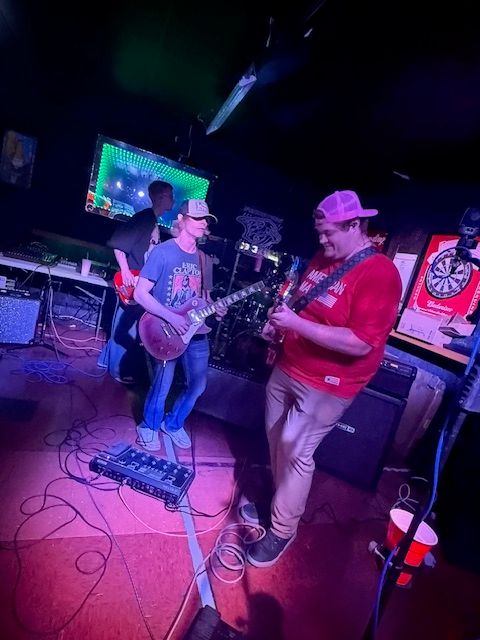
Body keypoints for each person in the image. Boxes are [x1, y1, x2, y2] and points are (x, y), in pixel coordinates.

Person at [243, 190, 402, 567]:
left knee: (296, 452)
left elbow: (361, 343)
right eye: (319, 233)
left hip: (329, 384)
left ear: (354, 226)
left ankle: (282, 529)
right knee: (277, 442)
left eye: (329, 233)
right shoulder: (322, 258)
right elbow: (303, 305)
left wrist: (296, 325)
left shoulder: (380, 273)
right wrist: (281, 325)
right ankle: (281, 502)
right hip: (289, 366)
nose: (322, 240)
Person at [134, 199, 226, 451]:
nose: (203, 223)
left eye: (206, 219)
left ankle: (173, 424)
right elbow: (140, 294)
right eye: (197, 218)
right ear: (181, 219)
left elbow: (205, 298)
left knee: (198, 385)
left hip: (196, 332)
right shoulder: (163, 252)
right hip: (166, 330)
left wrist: (216, 308)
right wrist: (172, 317)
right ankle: (149, 426)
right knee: (162, 384)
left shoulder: (204, 260)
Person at [98, 180, 174, 383]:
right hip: (133, 283)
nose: (173, 201)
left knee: (122, 324)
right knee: (126, 328)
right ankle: (117, 370)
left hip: (138, 281)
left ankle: (105, 361)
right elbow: (119, 245)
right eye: (170, 196)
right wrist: (125, 272)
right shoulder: (144, 218)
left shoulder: (152, 220)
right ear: (161, 197)